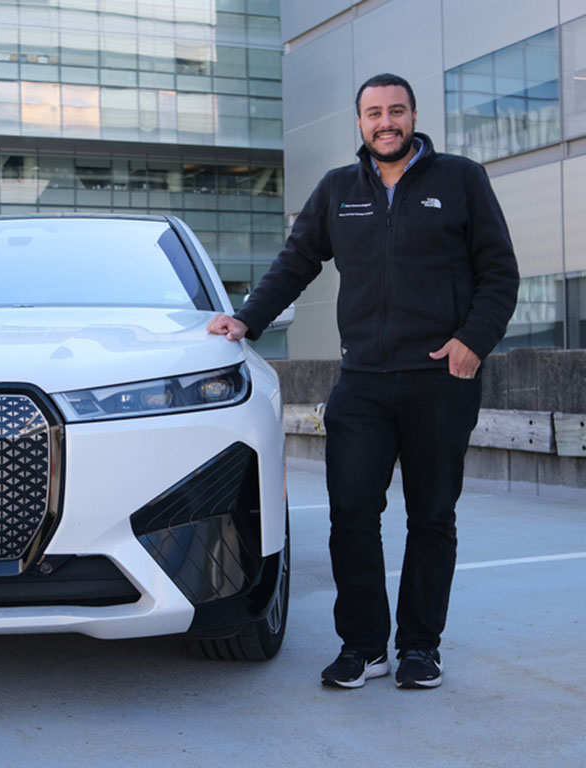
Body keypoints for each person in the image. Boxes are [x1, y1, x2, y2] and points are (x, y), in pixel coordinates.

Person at [207, 73, 519, 690]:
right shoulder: (338, 190)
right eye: (374, 113)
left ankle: (420, 648)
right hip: (363, 381)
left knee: (432, 518)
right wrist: (246, 319)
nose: (386, 122)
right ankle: (364, 646)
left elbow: (500, 273)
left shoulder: (461, 180)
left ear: (413, 116)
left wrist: (471, 344)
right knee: (351, 516)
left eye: (396, 111)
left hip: (439, 380)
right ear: (360, 123)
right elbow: (296, 262)